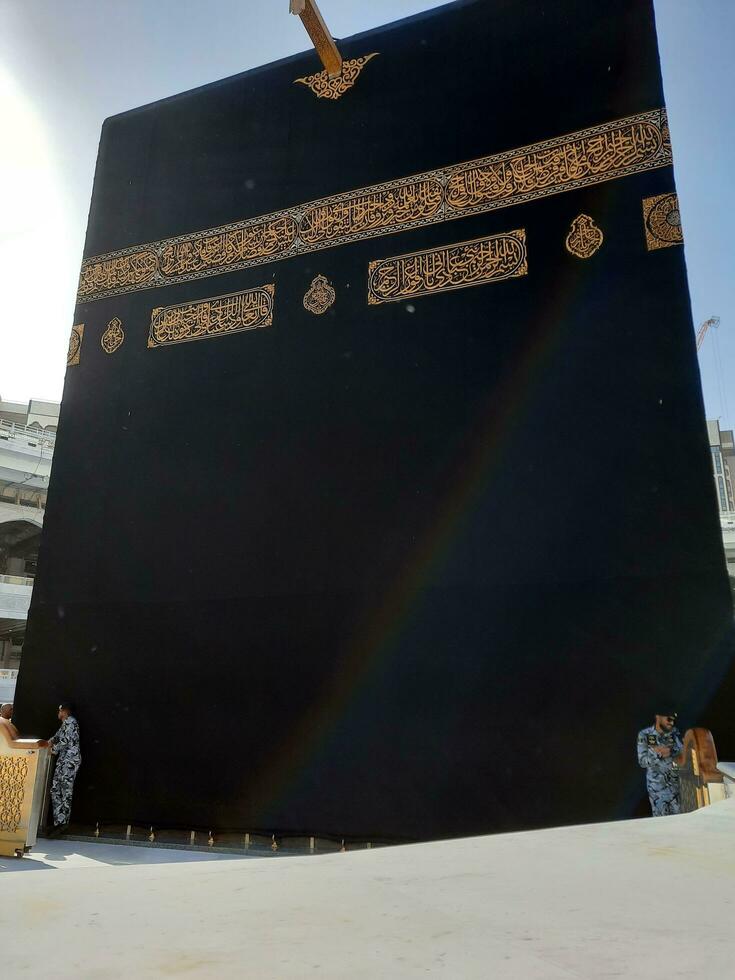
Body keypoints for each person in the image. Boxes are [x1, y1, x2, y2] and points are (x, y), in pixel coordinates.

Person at [637, 710, 683, 816]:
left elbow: (683, 751)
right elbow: (642, 761)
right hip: (658, 790)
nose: (671, 723)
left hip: (676, 788)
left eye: (673, 720)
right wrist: (658, 755)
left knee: (680, 822)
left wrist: (670, 751)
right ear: (658, 717)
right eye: (669, 719)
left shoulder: (675, 734)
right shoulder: (645, 735)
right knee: (662, 824)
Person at [47, 702, 82, 835]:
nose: (58, 712)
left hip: (69, 762)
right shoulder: (66, 723)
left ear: (65, 711)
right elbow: (56, 737)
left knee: (65, 791)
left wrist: (52, 750)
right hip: (64, 761)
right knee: (56, 790)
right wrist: (47, 743)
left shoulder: (70, 722)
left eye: (60, 710)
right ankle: (58, 822)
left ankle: (63, 823)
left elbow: (65, 741)